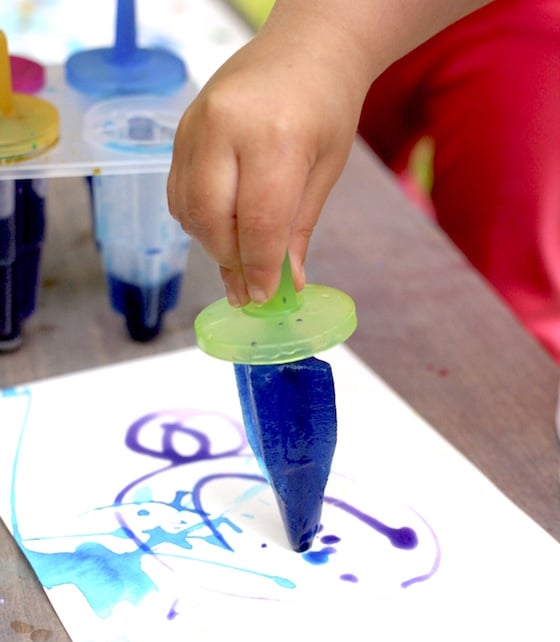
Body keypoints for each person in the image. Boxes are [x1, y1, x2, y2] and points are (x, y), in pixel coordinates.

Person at [167, 0, 560, 362]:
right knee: (320, 193)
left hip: (509, 17)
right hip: (329, 19)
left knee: (512, 297)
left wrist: (325, 38)